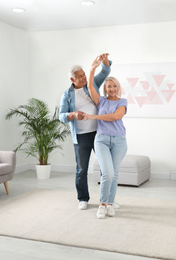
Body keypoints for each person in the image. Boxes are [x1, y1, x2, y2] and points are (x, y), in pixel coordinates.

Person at [59, 54, 111, 210]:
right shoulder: (67, 95)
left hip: (99, 133)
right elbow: (61, 116)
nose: (83, 78)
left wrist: (104, 62)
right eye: (80, 77)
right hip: (81, 137)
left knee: (105, 167)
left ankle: (107, 199)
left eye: (84, 75)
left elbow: (105, 71)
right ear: (72, 80)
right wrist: (73, 115)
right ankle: (83, 198)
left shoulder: (92, 83)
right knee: (81, 169)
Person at [83, 56, 127, 219]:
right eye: (109, 86)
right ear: (105, 89)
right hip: (101, 140)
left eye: (114, 86)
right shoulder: (100, 101)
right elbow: (89, 85)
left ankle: (110, 203)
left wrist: (94, 118)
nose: (112, 88)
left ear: (118, 88)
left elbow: (116, 117)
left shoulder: (123, 102)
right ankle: (102, 204)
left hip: (119, 141)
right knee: (107, 173)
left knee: (114, 174)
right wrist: (93, 68)